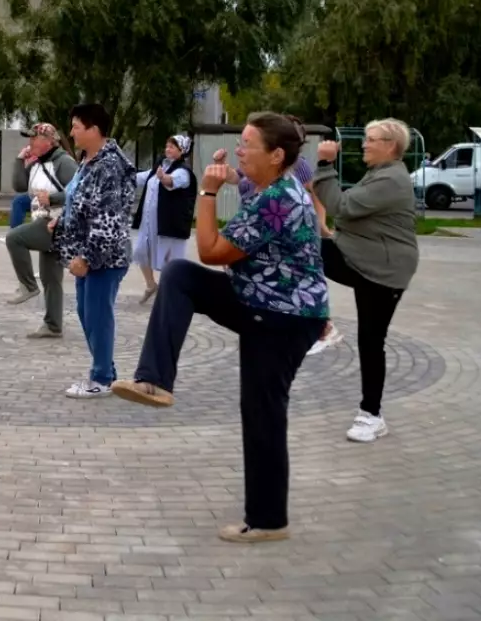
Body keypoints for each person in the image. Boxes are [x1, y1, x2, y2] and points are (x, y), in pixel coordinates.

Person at [112, 112, 329, 543]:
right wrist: (231, 177)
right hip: (268, 306)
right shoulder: (272, 185)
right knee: (179, 278)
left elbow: (211, 251)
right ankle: (154, 380)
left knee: (263, 412)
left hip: (281, 318)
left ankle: (268, 521)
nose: (240, 151)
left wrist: (208, 192)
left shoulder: (278, 198)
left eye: (248, 144)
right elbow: (248, 186)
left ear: (278, 155)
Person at [312, 119, 419, 443]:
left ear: (390, 146)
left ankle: (371, 415)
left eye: (371, 140)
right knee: (305, 249)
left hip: (382, 271)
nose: (365, 145)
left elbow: (342, 206)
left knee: (371, 342)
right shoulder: (380, 175)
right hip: (364, 260)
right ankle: (320, 326)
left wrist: (325, 165)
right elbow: (349, 211)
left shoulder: (391, 180)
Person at [214, 114, 343, 354]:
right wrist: (221, 170)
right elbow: (238, 179)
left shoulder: (298, 168)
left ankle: (318, 324)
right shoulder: (258, 167)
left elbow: (312, 194)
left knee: (288, 273)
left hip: (281, 227)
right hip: (255, 224)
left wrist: (320, 225)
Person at [53, 103, 136, 398]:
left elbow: (109, 220)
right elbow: (78, 202)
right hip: (85, 257)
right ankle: (107, 372)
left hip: (104, 258)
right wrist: (60, 221)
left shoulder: (110, 166)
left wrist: (88, 258)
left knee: (98, 316)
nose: (72, 132)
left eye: (76, 126)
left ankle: (100, 379)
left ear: (94, 130)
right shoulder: (89, 161)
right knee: (87, 314)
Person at [5, 123, 79, 338]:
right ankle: (53, 325)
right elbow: (19, 185)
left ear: (49, 141)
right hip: (44, 221)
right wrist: (20, 159)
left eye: (34, 138)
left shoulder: (63, 162)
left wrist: (54, 198)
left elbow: (81, 191)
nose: (30, 142)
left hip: (56, 222)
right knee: (51, 278)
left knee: (14, 238)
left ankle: (28, 285)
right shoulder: (38, 163)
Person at [132, 134, 197, 305]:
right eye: (167, 146)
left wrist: (163, 178)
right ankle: (151, 284)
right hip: (150, 221)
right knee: (140, 251)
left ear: (182, 151)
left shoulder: (183, 171)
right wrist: (123, 175)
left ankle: (174, 293)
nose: (168, 150)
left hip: (169, 223)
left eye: (172, 147)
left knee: (170, 261)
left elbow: (171, 182)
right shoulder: (160, 166)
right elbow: (143, 177)